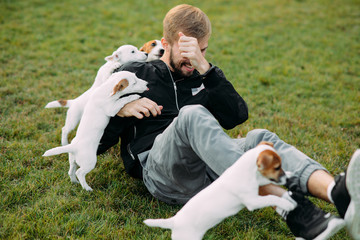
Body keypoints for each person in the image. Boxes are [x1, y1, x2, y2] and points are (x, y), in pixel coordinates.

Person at [97, 4, 360, 239]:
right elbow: (95, 142)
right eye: (188, 51)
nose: (193, 59)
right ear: (166, 43)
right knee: (191, 115)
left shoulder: (202, 74)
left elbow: (236, 117)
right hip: (161, 172)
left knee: (260, 139)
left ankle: (338, 193)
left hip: (209, 171)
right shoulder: (133, 73)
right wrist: (118, 107)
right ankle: (291, 207)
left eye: (202, 50)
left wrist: (207, 70)